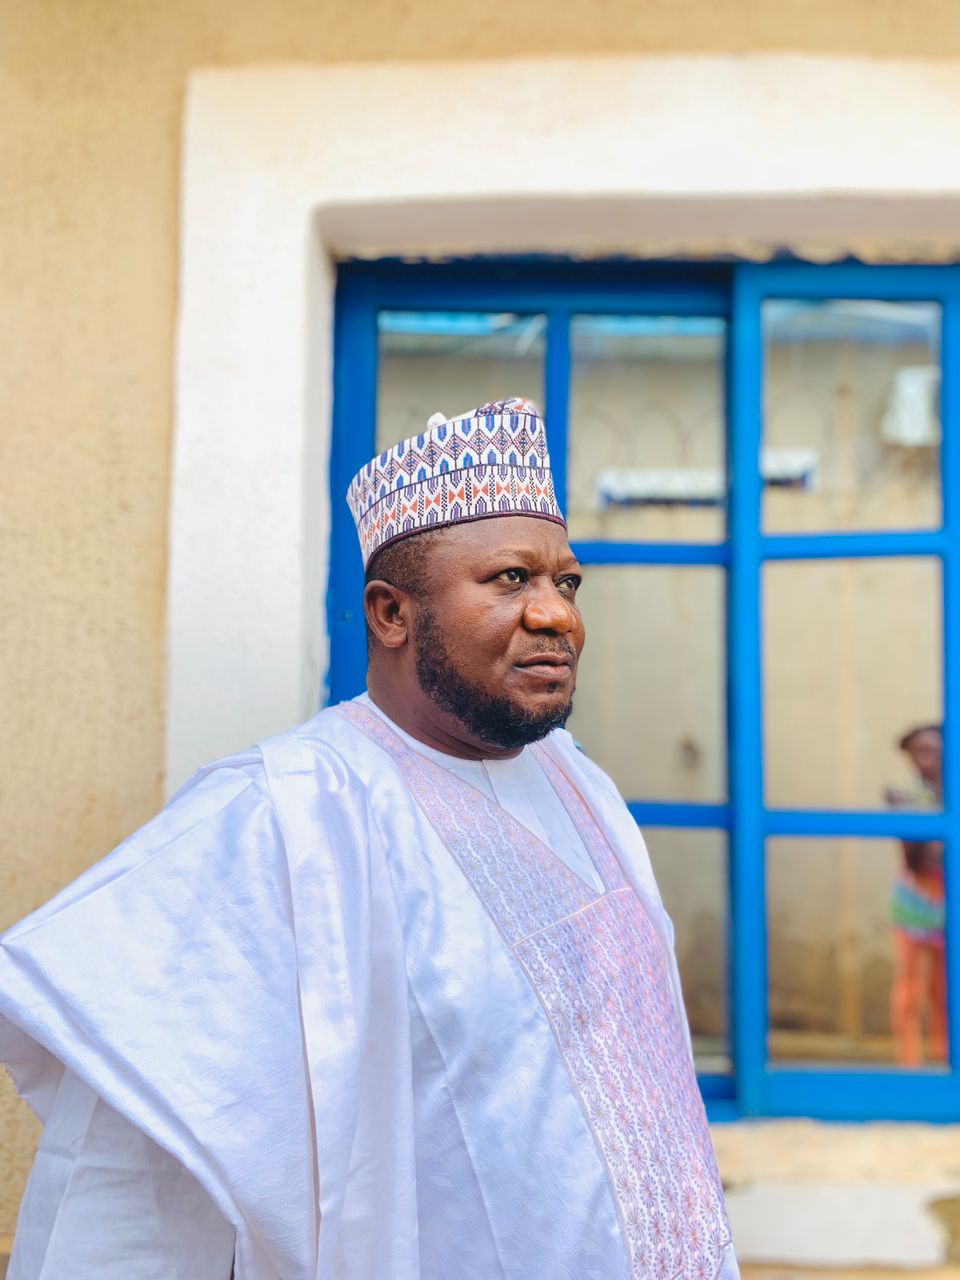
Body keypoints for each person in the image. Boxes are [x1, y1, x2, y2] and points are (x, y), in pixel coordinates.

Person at [1, 398, 739, 1280]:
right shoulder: (285, 817)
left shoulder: (579, 783)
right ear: (391, 614)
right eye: (511, 579)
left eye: (567, 584)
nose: (557, 616)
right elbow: (134, 1187)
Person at [886, 723, 947, 1067]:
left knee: (944, 990)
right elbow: (918, 858)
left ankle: (944, 1060)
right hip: (914, 904)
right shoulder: (904, 793)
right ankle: (909, 1063)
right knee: (909, 988)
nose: (927, 759)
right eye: (919, 752)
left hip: (948, 903)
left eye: (934, 751)